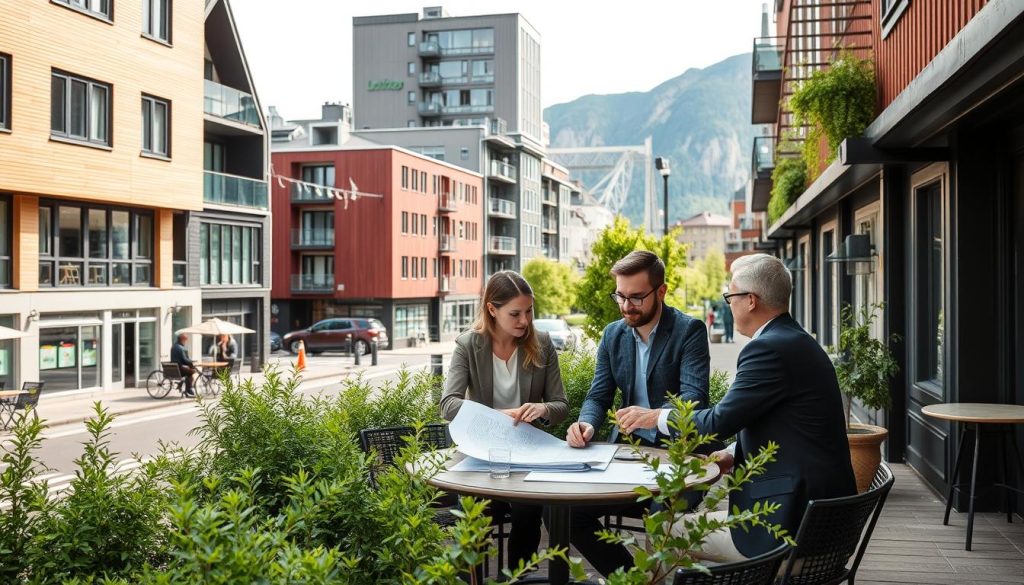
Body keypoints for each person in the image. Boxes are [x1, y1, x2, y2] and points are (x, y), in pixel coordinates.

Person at [685, 253, 855, 561]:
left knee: (670, 531)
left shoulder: (768, 348)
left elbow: (718, 422)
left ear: (750, 300)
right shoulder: (795, 340)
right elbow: (791, 428)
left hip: (792, 527)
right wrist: (735, 453)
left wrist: (656, 416)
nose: (729, 304)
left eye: (730, 296)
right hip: (825, 519)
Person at [564, 250, 711, 577]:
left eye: (636, 297)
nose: (626, 306)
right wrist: (585, 424)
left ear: (661, 291)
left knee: (664, 519)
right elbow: (598, 396)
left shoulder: (689, 331)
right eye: (620, 296)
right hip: (624, 457)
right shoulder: (612, 334)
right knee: (562, 512)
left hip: (678, 457)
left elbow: (695, 401)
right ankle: (632, 578)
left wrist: (651, 416)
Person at [440, 270, 570, 570]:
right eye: (515, 313)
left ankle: (519, 575)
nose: (524, 321)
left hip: (527, 453)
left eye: (528, 311)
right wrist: (500, 415)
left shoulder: (542, 343)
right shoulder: (468, 345)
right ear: (492, 310)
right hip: (479, 453)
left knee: (528, 513)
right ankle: (473, 575)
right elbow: (448, 405)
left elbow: (560, 404)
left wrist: (542, 411)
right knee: (474, 516)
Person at [170, 333, 197, 397]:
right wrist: (192, 362)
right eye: (185, 340)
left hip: (175, 369)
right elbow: (184, 360)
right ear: (182, 339)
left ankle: (182, 385)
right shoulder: (180, 348)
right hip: (179, 369)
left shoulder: (174, 346)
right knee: (191, 372)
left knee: (189, 370)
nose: (186, 341)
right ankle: (188, 389)